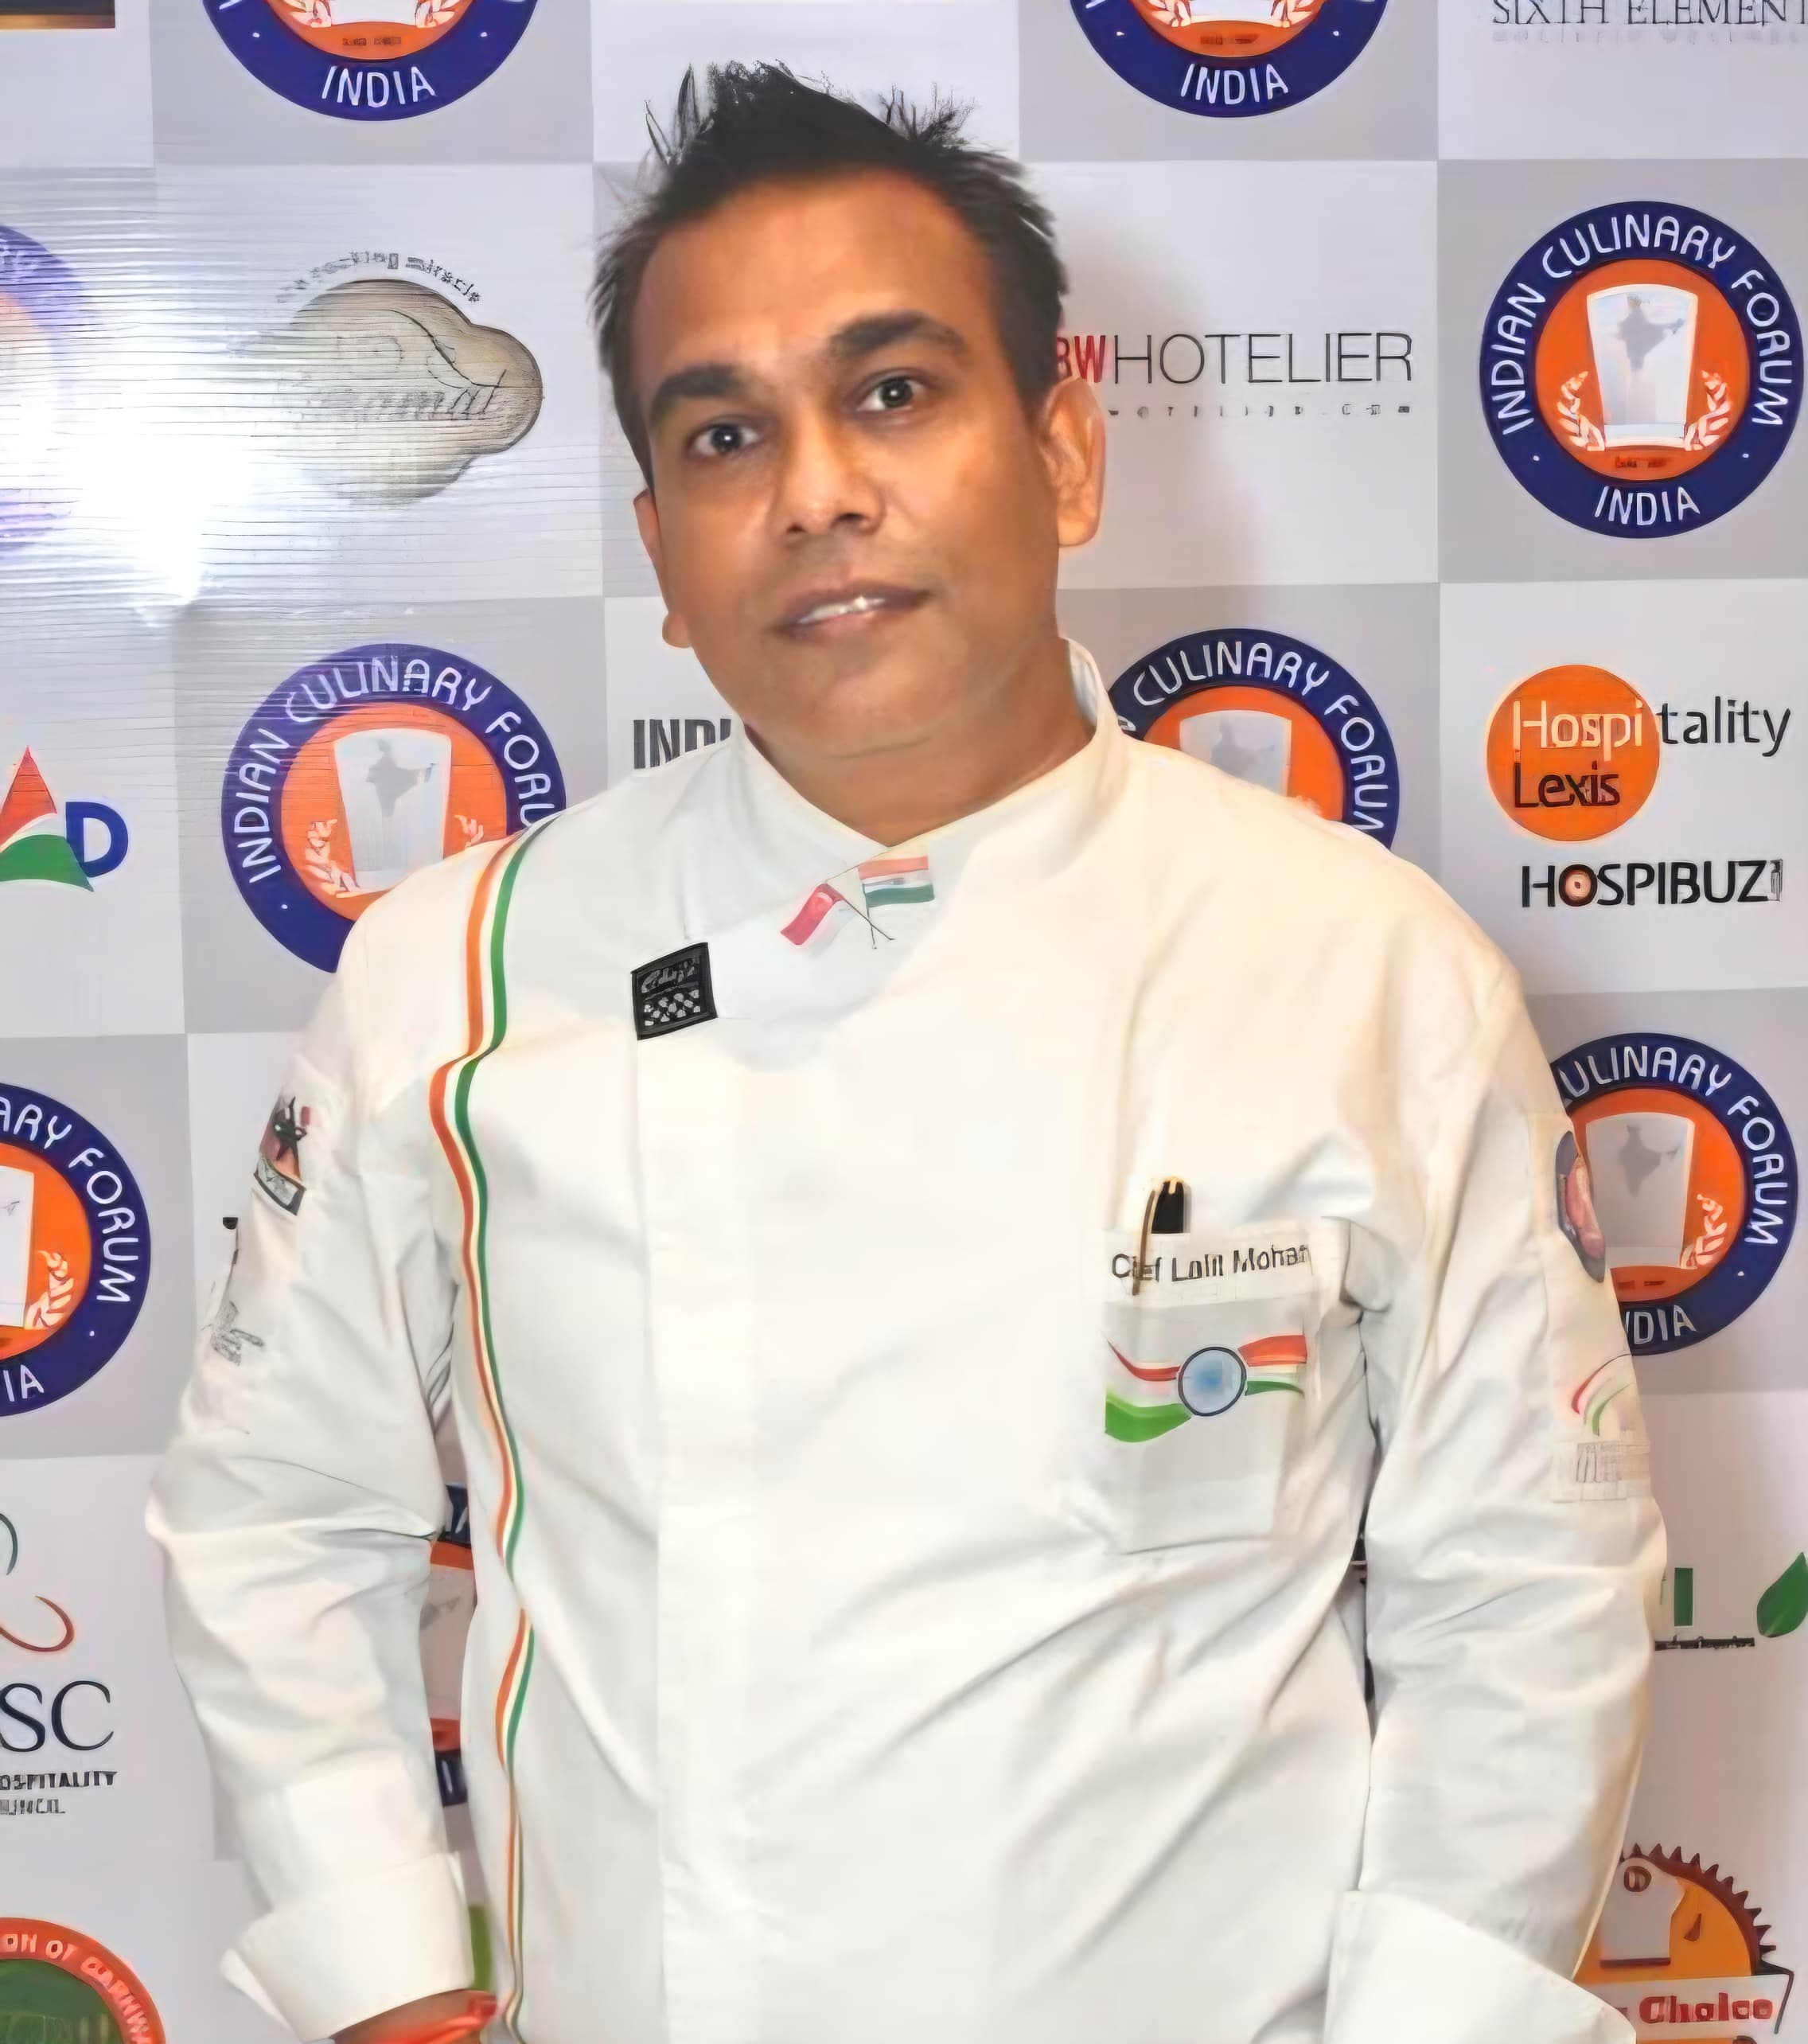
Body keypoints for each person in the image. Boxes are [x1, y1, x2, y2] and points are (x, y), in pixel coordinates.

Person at [148, 62, 1664, 2044]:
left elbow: (1525, 1586)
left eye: (890, 391)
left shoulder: (1364, 973)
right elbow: (278, 1504)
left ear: (1064, 450)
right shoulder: (462, 969)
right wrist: (379, 1973)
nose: (814, 494)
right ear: (662, 550)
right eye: (723, 433)